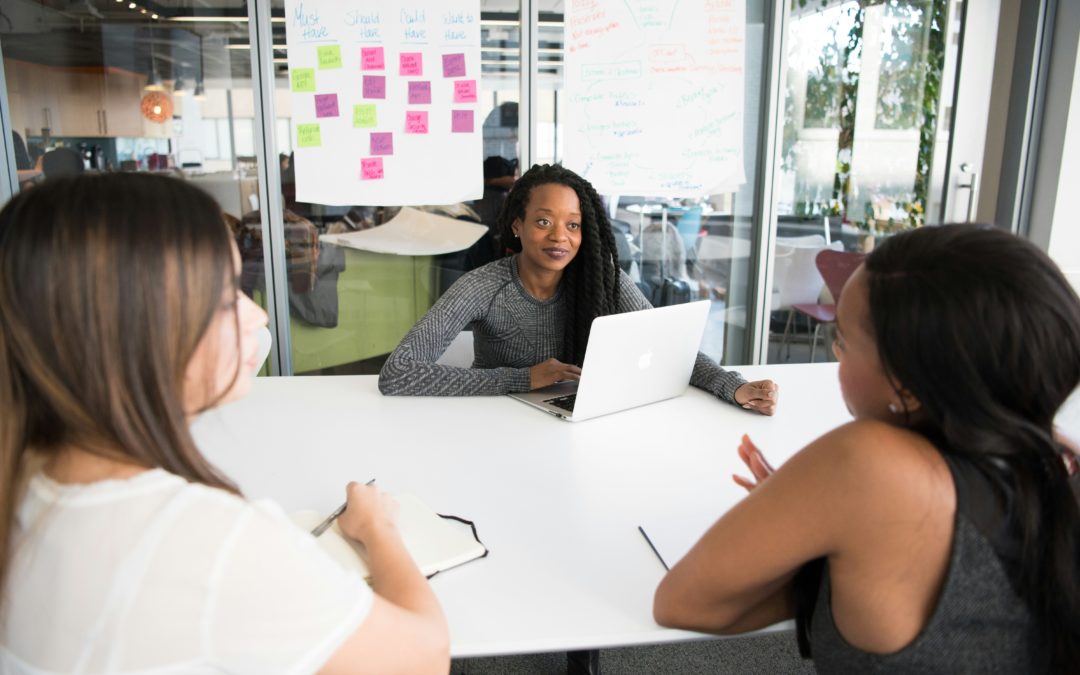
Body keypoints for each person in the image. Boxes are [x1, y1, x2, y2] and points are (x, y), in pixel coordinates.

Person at [0, 174, 449, 673]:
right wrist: (379, 528)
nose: (256, 316)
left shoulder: (25, 479)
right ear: (136, 332)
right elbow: (424, 656)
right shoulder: (203, 544)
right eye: (223, 299)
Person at [653, 225, 1080, 672]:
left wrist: (807, 517)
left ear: (908, 385)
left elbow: (682, 602)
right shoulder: (1057, 458)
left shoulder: (867, 464)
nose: (837, 355)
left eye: (844, 341)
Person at [379, 163, 778, 414]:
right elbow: (398, 374)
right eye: (543, 222)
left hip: (578, 423)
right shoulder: (484, 286)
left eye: (573, 225)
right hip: (492, 426)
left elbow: (671, 348)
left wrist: (734, 386)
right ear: (517, 225)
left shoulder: (600, 280)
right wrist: (521, 379)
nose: (560, 237)